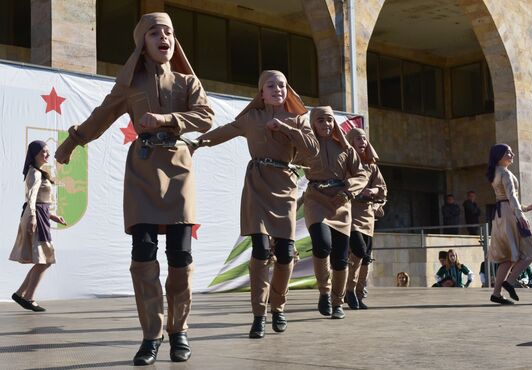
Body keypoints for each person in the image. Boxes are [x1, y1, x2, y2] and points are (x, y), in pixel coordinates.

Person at [55, 13, 214, 365]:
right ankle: (151, 335)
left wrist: (167, 120)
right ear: (142, 42)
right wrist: (72, 142)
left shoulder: (188, 82)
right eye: (155, 33)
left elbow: (205, 116)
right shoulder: (130, 83)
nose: (164, 38)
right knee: (143, 253)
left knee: (180, 256)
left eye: (169, 32)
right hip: (142, 171)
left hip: (179, 171)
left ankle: (179, 331)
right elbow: (101, 116)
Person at [197, 70, 318, 339]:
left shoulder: (298, 119)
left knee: (286, 252)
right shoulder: (251, 118)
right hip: (256, 185)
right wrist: (197, 143)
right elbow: (223, 132)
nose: (278, 89)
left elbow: (313, 149)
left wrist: (286, 128)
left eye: (283, 85)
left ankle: (279, 308)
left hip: (284, 187)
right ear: (261, 92)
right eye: (271, 85)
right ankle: (258, 315)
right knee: (261, 250)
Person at [302, 106, 367, 319]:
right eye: (320, 120)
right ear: (313, 123)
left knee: (340, 258)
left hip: (340, 203)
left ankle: (338, 302)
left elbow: (361, 175)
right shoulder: (306, 145)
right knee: (322, 245)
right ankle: (324, 292)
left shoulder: (346, 148)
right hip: (316, 199)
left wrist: (348, 192)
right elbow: (287, 156)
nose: (326, 124)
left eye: (329, 120)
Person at [9, 141, 67, 312]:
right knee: (45, 259)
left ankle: (21, 294)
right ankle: (27, 297)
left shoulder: (39, 172)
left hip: (40, 215)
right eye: (44, 152)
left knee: (44, 259)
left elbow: (40, 202)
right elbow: (31, 198)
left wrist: (53, 216)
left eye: (48, 151)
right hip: (36, 217)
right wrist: (34, 217)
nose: (47, 155)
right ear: (34, 154)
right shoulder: (34, 173)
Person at [486, 144, 532, 305]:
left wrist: (526, 207)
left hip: (500, 215)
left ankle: (496, 294)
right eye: (508, 152)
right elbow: (511, 197)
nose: (512, 154)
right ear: (499, 156)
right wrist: (521, 215)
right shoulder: (505, 173)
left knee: (508, 257)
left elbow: (506, 198)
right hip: (509, 214)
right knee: (530, 252)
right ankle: (509, 282)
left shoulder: (496, 172)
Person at [344, 127, 387, 310]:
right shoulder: (345, 164)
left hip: (368, 217)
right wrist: (358, 191)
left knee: (367, 257)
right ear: (350, 141)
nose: (362, 142)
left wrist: (374, 191)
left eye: (364, 138)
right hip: (350, 214)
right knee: (358, 251)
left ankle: (359, 294)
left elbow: (382, 188)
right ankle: (349, 290)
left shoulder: (372, 166)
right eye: (358, 138)